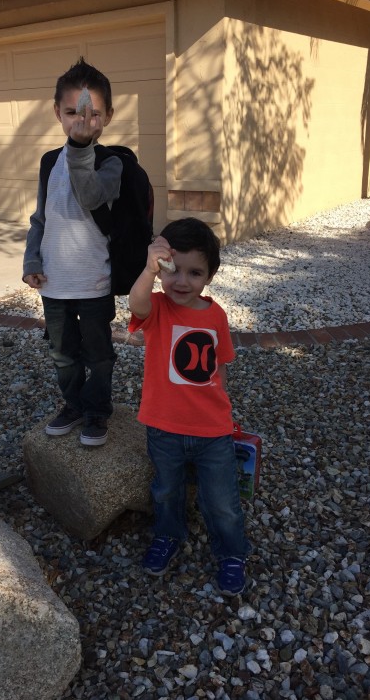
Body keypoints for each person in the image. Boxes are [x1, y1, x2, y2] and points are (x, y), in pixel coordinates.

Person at [128, 217, 251, 595]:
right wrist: (148, 270)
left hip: (212, 430)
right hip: (163, 426)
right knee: (166, 491)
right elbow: (137, 303)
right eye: (173, 270)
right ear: (162, 268)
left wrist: (225, 415)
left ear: (210, 276)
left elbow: (219, 368)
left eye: (194, 272)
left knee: (223, 500)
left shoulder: (216, 316)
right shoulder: (158, 308)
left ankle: (232, 552)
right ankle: (168, 535)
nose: (182, 281)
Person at [23, 57, 122, 447]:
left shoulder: (112, 163)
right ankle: (73, 405)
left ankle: (97, 411)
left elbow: (90, 195)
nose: (82, 120)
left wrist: (81, 148)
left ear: (108, 116)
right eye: (72, 112)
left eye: (92, 113)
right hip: (54, 282)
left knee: (98, 354)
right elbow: (40, 218)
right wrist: (32, 259)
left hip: (94, 280)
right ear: (57, 114)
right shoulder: (49, 162)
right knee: (63, 354)